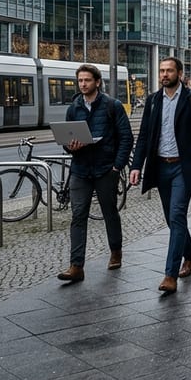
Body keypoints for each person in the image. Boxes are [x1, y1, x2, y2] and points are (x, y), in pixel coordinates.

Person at [130, 57, 191, 293]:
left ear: (180, 73)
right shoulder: (153, 101)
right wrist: (136, 166)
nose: (164, 74)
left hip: (183, 167)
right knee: (171, 218)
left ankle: (170, 274)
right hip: (160, 166)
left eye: (169, 70)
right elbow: (144, 135)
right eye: (161, 71)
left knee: (177, 215)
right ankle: (190, 256)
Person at [56, 64, 133, 283]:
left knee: (109, 212)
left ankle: (116, 251)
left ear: (97, 82)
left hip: (105, 169)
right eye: (80, 80)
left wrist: (117, 166)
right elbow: (67, 141)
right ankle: (76, 266)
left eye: (87, 80)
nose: (83, 84)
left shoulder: (112, 106)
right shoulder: (74, 108)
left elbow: (126, 138)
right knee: (78, 216)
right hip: (80, 169)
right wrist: (70, 146)